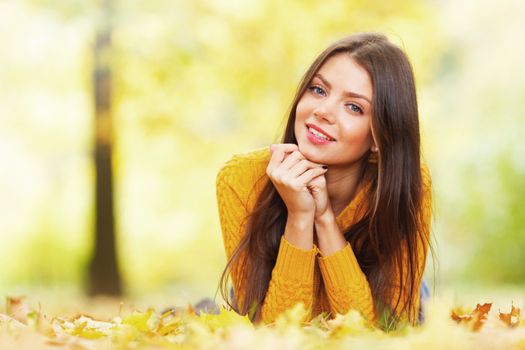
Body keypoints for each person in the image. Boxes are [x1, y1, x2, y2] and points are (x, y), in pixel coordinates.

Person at [215, 32, 434, 330]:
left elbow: (377, 336)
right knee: (240, 311)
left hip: (378, 298)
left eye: (354, 107)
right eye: (318, 90)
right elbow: (276, 334)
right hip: (269, 298)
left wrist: (325, 219)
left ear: (379, 138)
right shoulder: (240, 179)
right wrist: (300, 216)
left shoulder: (407, 184)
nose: (323, 111)